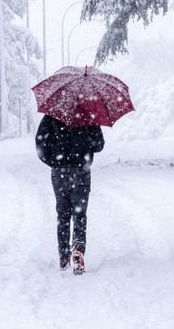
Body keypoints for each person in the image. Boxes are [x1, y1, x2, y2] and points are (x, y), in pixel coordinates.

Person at [35, 114, 104, 274]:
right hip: (81, 171)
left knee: (63, 214)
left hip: (59, 173)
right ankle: (78, 248)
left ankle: (64, 255)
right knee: (79, 213)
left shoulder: (50, 116)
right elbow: (99, 144)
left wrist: (54, 161)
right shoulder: (89, 115)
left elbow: (40, 145)